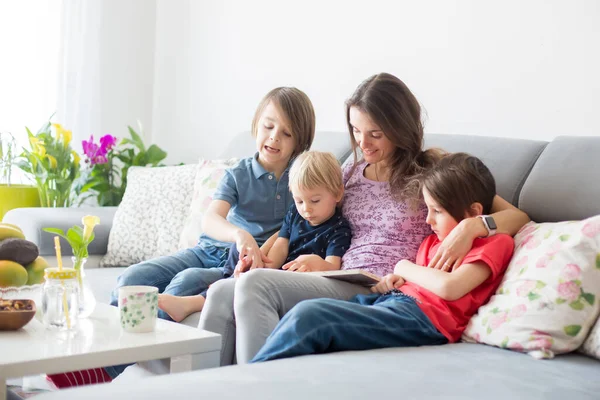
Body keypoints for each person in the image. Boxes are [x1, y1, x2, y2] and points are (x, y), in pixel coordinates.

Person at [199, 72, 530, 366]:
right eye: (356, 130)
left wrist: (472, 227)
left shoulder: (434, 168)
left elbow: (516, 215)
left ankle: (253, 389)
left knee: (255, 287)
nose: (362, 142)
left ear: (400, 128)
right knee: (224, 292)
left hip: (381, 287)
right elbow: (298, 221)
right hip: (341, 275)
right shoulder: (350, 172)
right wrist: (261, 257)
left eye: (375, 133)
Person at [47, 86, 316, 388]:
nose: (274, 137)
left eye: (286, 133)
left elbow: (310, 222)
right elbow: (211, 218)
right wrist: (240, 234)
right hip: (208, 249)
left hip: (234, 265)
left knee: (184, 283)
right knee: (132, 279)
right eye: (268, 126)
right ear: (256, 124)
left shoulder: (302, 178)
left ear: (300, 141)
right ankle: (92, 355)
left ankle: (100, 371)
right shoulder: (238, 173)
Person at [251, 152, 515, 361]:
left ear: (473, 212)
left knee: (310, 317)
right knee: (304, 315)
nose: (427, 218)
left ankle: (249, 384)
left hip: (425, 321)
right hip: (394, 302)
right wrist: (393, 280)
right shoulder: (433, 241)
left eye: (436, 211)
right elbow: (415, 283)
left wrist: (403, 266)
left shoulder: (495, 242)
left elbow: (449, 287)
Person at [158, 151, 352, 322]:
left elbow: (332, 266)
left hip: (296, 280)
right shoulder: (295, 213)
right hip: (277, 271)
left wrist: (316, 262)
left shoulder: (338, 228)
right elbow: (281, 245)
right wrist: (264, 264)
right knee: (239, 249)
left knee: (242, 280)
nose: (306, 209)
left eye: (315, 201)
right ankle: (232, 280)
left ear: (337, 193)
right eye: (299, 200)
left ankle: (197, 300)